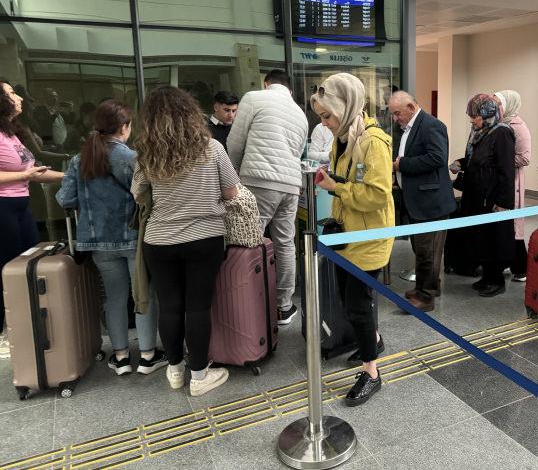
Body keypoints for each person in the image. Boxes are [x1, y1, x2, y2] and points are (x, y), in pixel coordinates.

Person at [131, 86, 240, 397]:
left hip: (160, 240)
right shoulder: (213, 148)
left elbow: (137, 194)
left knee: (170, 305)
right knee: (198, 307)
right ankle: (200, 375)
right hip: (204, 238)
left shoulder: (147, 154)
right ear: (191, 114)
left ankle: (175, 371)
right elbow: (232, 192)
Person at [56, 100, 166, 376]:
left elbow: (65, 199)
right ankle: (148, 356)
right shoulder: (132, 158)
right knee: (143, 295)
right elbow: (149, 196)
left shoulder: (79, 159)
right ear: (124, 128)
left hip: (96, 242)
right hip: (132, 239)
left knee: (114, 297)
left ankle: (120, 357)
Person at [310, 72, 394, 406]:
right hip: (348, 235)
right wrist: (331, 179)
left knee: (358, 305)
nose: (326, 123)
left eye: (328, 115)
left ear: (346, 106)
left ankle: (372, 373)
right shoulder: (343, 137)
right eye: (321, 117)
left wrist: (336, 187)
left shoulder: (373, 141)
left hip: (370, 238)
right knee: (350, 302)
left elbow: (377, 195)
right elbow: (348, 180)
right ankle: (373, 338)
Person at [226, 70, 308, 325]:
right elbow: (297, 152)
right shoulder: (300, 114)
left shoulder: (253, 98)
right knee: (285, 243)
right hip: (291, 184)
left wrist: (235, 176)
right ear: (289, 90)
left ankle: (250, 304)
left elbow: (235, 142)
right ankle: (284, 307)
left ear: (266, 83)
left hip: (259, 182)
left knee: (249, 241)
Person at [0, 80, 64, 357]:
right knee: (6, 270)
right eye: (11, 93)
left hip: (22, 207)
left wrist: (69, 175)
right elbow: (26, 174)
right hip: (3, 208)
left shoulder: (13, 134)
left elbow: (34, 170)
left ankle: (26, 328)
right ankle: (7, 332)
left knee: (29, 266)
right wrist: (25, 176)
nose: (19, 97)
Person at [389, 90, 456, 312]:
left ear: (410, 107)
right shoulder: (409, 128)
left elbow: (437, 158)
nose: (395, 118)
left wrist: (402, 165)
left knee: (427, 251)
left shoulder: (431, 125)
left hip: (432, 201)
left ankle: (425, 298)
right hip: (418, 199)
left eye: (397, 113)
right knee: (422, 249)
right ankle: (427, 287)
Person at [450, 94, 515, 297]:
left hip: (492, 197)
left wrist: (503, 203)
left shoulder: (502, 133)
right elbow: (475, 159)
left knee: (492, 238)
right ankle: (486, 277)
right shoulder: (479, 133)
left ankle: (496, 280)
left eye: (475, 116)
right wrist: (461, 163)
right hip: (476, 195)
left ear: (487, 114)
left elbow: (506, 170)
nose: (471, 119)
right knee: (480, 238)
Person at [494, 90, 531, 282]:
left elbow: (525, 158)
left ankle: (521, 267)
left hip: (513, 180)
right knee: (505, 225)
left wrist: (501, 159)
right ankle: (508, 262)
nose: (495, 108)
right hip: (502, 178)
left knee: (514, 226)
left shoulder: (518, 126)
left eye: (498, 104)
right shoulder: (500, 124)